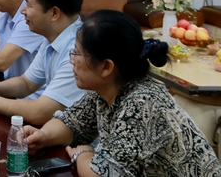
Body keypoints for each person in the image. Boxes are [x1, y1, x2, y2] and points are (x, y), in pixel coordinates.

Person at [25, 10, 221, 177]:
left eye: (77, 53)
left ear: (106, 67)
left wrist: (82, 154)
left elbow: (102, 175)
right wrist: (43, 136)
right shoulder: (107, 89)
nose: (72, 61)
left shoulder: (142, 103)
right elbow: (72, 123)